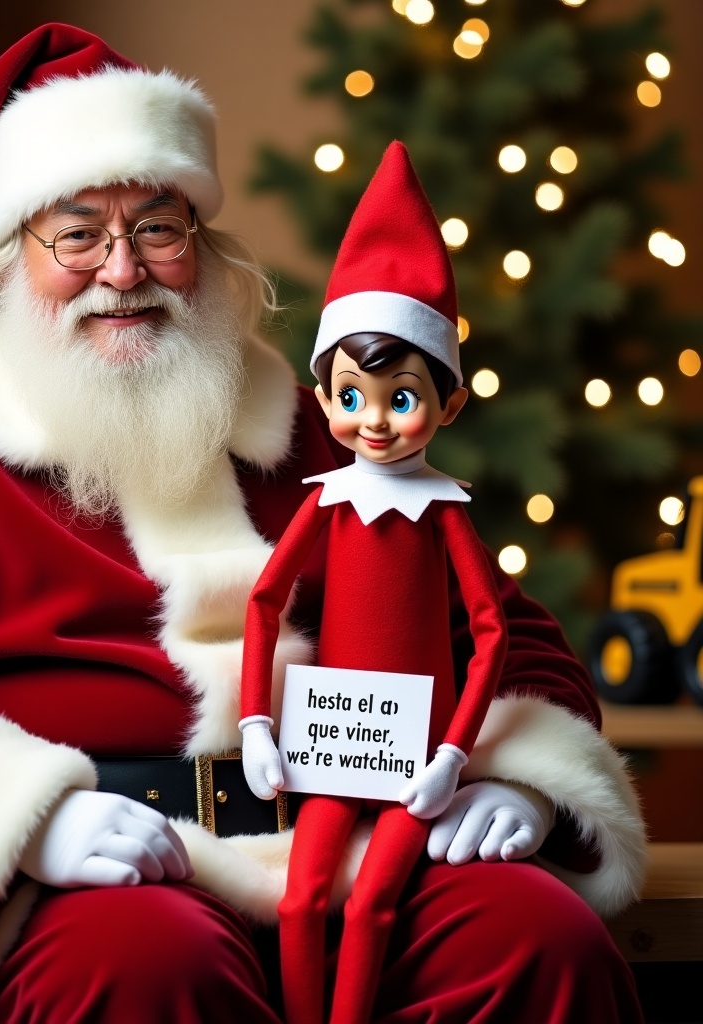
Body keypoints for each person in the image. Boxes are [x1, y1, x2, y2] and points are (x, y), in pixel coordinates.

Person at [0, 22, 647, 1024]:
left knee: (536, 941)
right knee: (147, 968)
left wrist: (520, 785)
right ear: (8, 260)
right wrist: (25, 821)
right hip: (75, 883)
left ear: (202, 245)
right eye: (77, 233)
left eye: (158, 228)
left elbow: (511, 641)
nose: (122, 269)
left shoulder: (318, 430)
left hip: (349, 840)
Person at [239, 142, 507, 1024]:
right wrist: (256, 725)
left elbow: (493, 634)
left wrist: (455, 756)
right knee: (298, 901)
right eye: (352, 397)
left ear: (450, 404)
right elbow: (264, 600)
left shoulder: (444, 511)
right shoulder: (326, 500)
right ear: (323, 401)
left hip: (413, 760)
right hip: (329, 752)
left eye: (401, 397)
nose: (375, 422)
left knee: (374, 904)